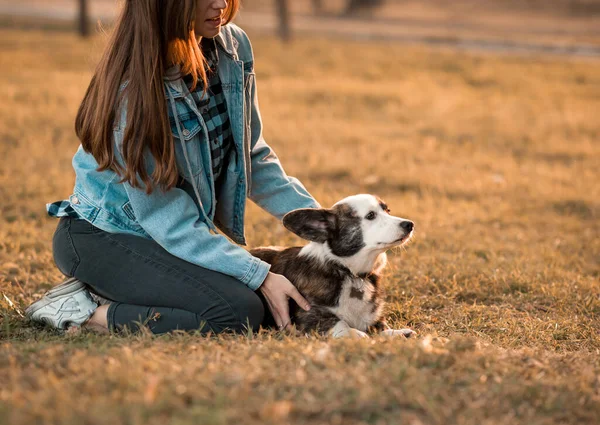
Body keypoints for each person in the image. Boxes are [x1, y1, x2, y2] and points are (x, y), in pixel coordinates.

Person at [26, 0, 316, 335]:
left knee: (254, 302)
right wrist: (259, 274)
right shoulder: (134, 93)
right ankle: (84, 312)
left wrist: (325, 224)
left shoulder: (232, 47)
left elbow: (250, 155)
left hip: (164, 236)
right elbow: (167, 220)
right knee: (238, 311)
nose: (220, 3)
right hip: (105, 237)